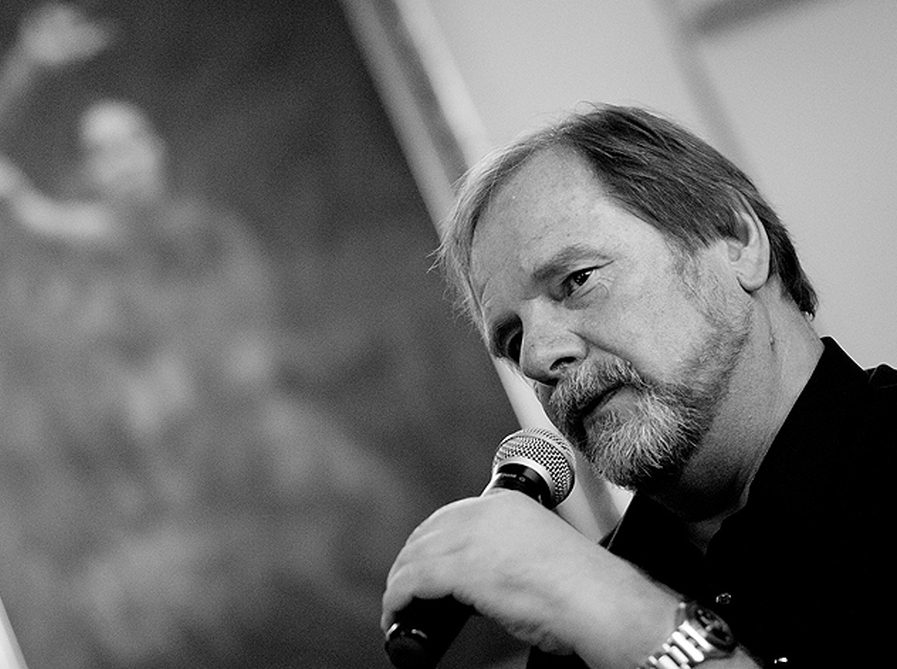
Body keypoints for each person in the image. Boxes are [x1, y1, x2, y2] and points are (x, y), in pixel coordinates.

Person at [381, 104, 894, 667]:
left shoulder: (591, 602)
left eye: (576, 280)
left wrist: (624, 617)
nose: (538, 357)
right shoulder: (572, 637)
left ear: (736, 239)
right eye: (511, 337)